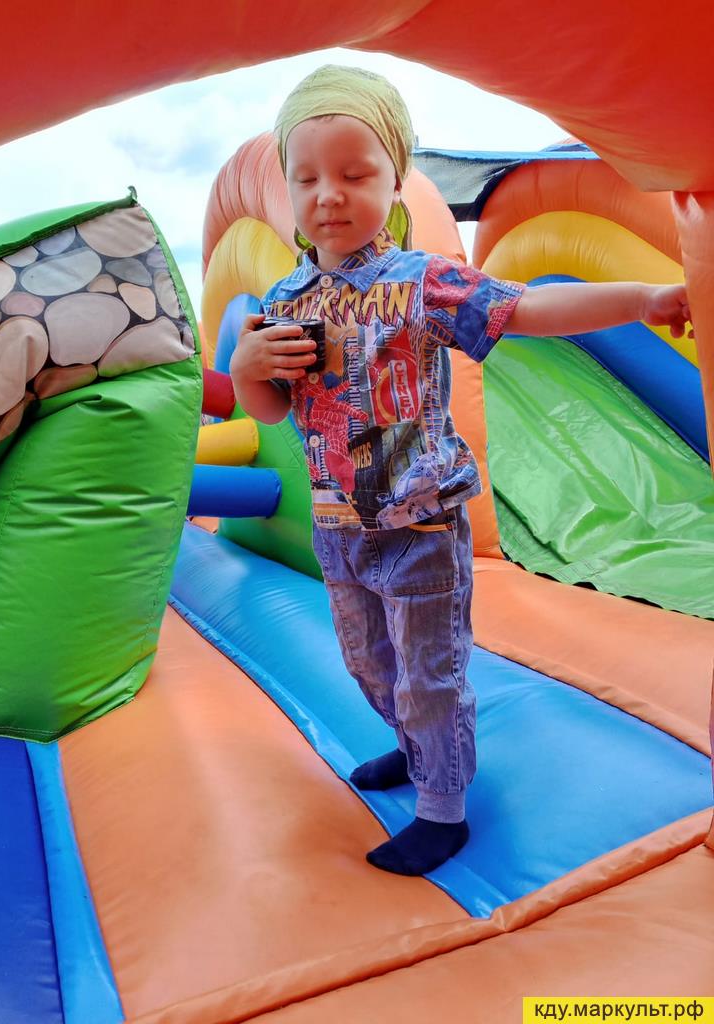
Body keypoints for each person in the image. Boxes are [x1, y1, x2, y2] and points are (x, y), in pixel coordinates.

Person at [229, 65, 693, 877]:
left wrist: (642, 300)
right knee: (369, 663)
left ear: (394, 181)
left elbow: (527, 308)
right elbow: (269, 410)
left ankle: (442, 806)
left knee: (429, 674)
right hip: (339, 526)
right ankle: (412, 748)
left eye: (354, 174)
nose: (328, 196)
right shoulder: (286, 298)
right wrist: (245, 368)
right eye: (306, 178)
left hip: (419, 524)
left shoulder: (421, 282)